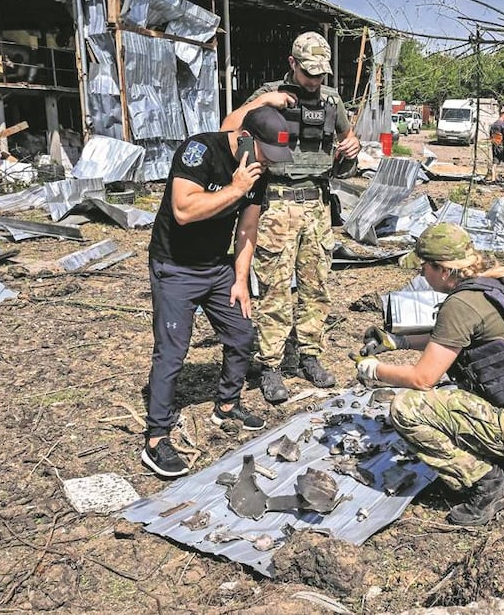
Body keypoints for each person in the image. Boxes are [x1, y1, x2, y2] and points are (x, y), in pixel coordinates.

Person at [352, 224, 504, 525]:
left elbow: (423, 378)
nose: (421, 276)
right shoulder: (499, 281)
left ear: (442, 270)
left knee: (408, 409)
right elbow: (456, 339)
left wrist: (374, 369)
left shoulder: (460, 305)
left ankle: (490, 484)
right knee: (457, 392)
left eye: (423, 269)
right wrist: (399, 341)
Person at [141, 106, 293, 478]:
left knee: (242, 334)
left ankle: (226, 405)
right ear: (244, 138)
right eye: (265, 154)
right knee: (172, 351)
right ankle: (156, 438)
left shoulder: (258, 174)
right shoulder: (199, 152)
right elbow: (183, 210)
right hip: (175, 266)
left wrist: (240, 280)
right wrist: (235, 188)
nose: (269, 164)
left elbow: (247, 230)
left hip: (216, 267)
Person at [221, 31, 361, 403]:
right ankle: (270, 364)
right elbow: (228, 128)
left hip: (317, 205)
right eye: (308, 72)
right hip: (277, 204)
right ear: (292, 63)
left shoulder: (332, 101)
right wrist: (266, 101)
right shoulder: (269, 95)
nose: (314, 81)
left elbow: (347, 154)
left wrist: (352, 148)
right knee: (275, 289)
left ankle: (309, 356)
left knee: (317, 287)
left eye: (320, 74)